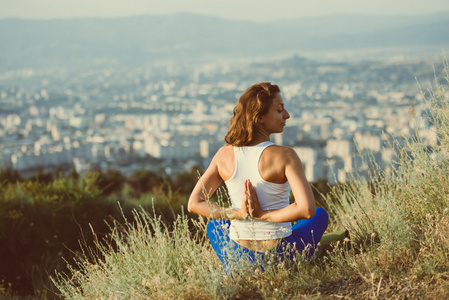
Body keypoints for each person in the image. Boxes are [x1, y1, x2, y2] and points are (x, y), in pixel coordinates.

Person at [188, 82, 329, 273]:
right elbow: (307, 209)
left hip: (239, 254)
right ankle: (304, 257)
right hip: (281, 255)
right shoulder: (285, 155)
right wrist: (264, 215)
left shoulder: (223, 155)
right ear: (259, 117)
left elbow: (194, 203)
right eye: (280, 110)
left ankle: (236, 266)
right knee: (320, 215)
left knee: (215, 225)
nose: (287, 115)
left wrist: (237, 214)